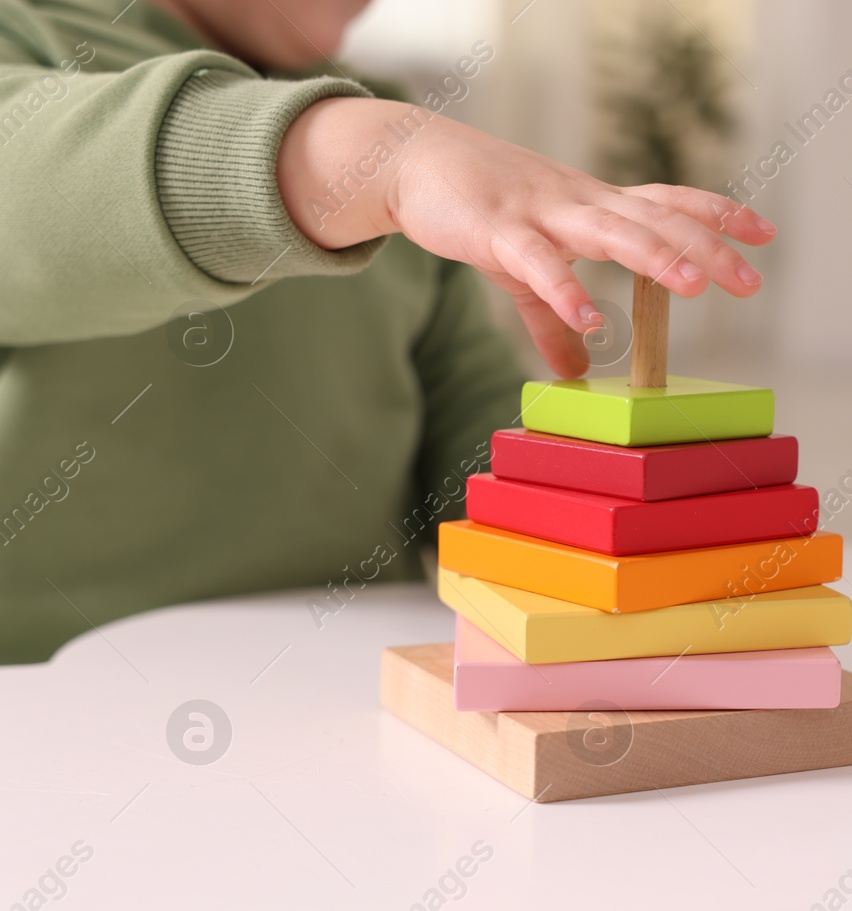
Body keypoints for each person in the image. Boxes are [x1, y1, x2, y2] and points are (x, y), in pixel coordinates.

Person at [0, 0, 774, 663]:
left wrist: (637, 517)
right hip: (61, 718)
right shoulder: (26, 41)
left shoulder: (380, 114)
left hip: (352, 693)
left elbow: (474, 461)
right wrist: (371, 158)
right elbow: (44, 192)